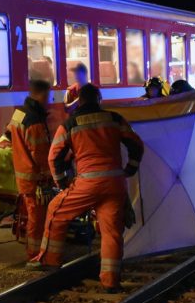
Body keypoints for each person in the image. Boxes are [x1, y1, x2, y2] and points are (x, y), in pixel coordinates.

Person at [33, 84, 144, 292]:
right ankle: (111, 281)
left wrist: (61, 183)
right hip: (115, 184)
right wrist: (130, 169)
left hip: (87, 184)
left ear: (80, 101)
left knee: (56, 212)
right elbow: (136, 144)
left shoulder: (69, 124)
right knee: (111, 232)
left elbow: (53, 156)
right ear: (99, 99)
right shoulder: (114, 119)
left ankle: (51, 261)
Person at [7, 80, 53, 259]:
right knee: (37, 218)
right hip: (35, 179)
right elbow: (40, 154)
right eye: (48, 97)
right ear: (41, 95)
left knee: (31, 214)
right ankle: (35, 255)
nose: (49, 101)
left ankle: (34, 251)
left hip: (23, 175)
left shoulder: (18, 114)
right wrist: (48, 177)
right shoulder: (34, 121)